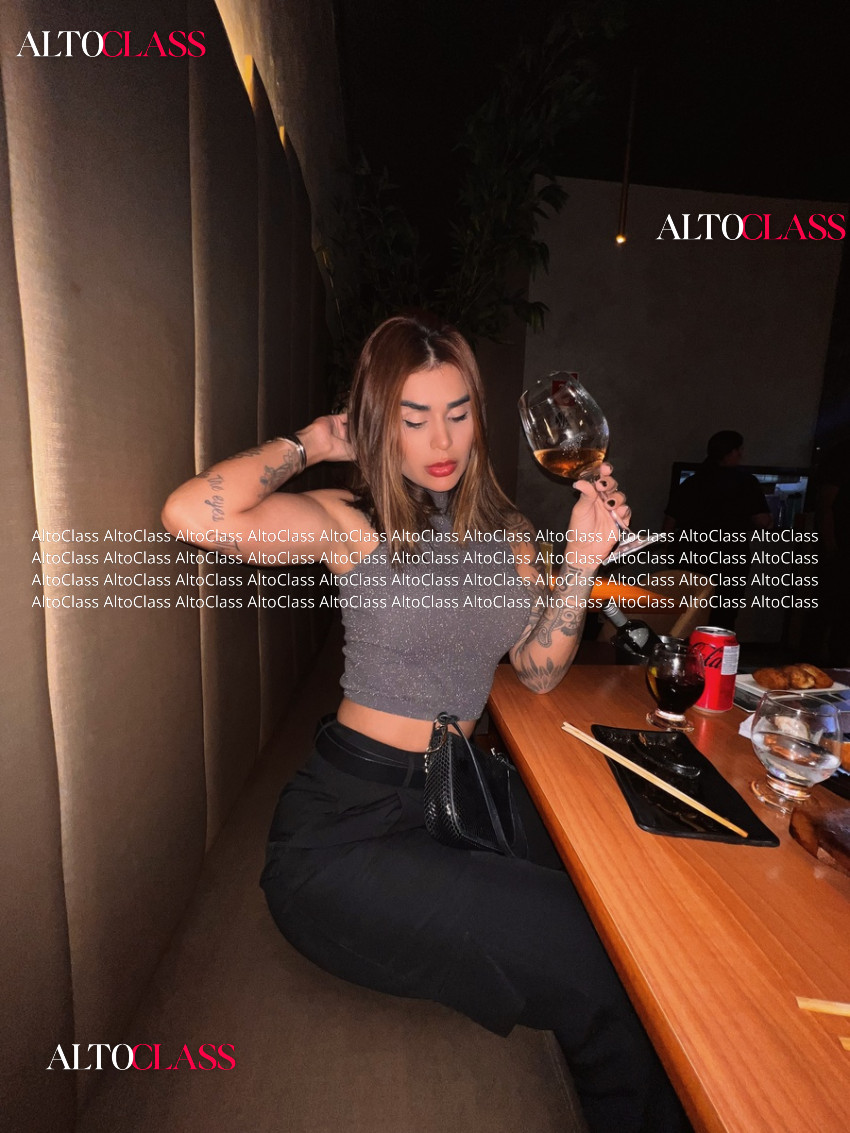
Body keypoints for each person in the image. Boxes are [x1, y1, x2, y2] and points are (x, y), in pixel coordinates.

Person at [162, 313, 689, 1132]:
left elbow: (538, 671)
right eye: (412, 417)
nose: (440, 440)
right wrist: (314, 440)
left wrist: (582, 564)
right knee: (593, 953)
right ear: (380, 422)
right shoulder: (353, 519)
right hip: (347, 833)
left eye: (457, 411)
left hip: (457, 798)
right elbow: (192, 515)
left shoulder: (513, 535)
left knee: (629, 898)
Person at [664, 430, 772, 627]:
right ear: (731, 452)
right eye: (739, 450)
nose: (741, 455)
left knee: (689, 615)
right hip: (730, 558)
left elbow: (669, 524)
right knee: (723, 615)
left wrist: (669, 553)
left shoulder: (692, 482)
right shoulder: (746, 482)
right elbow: (762, 521)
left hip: (691, 555)